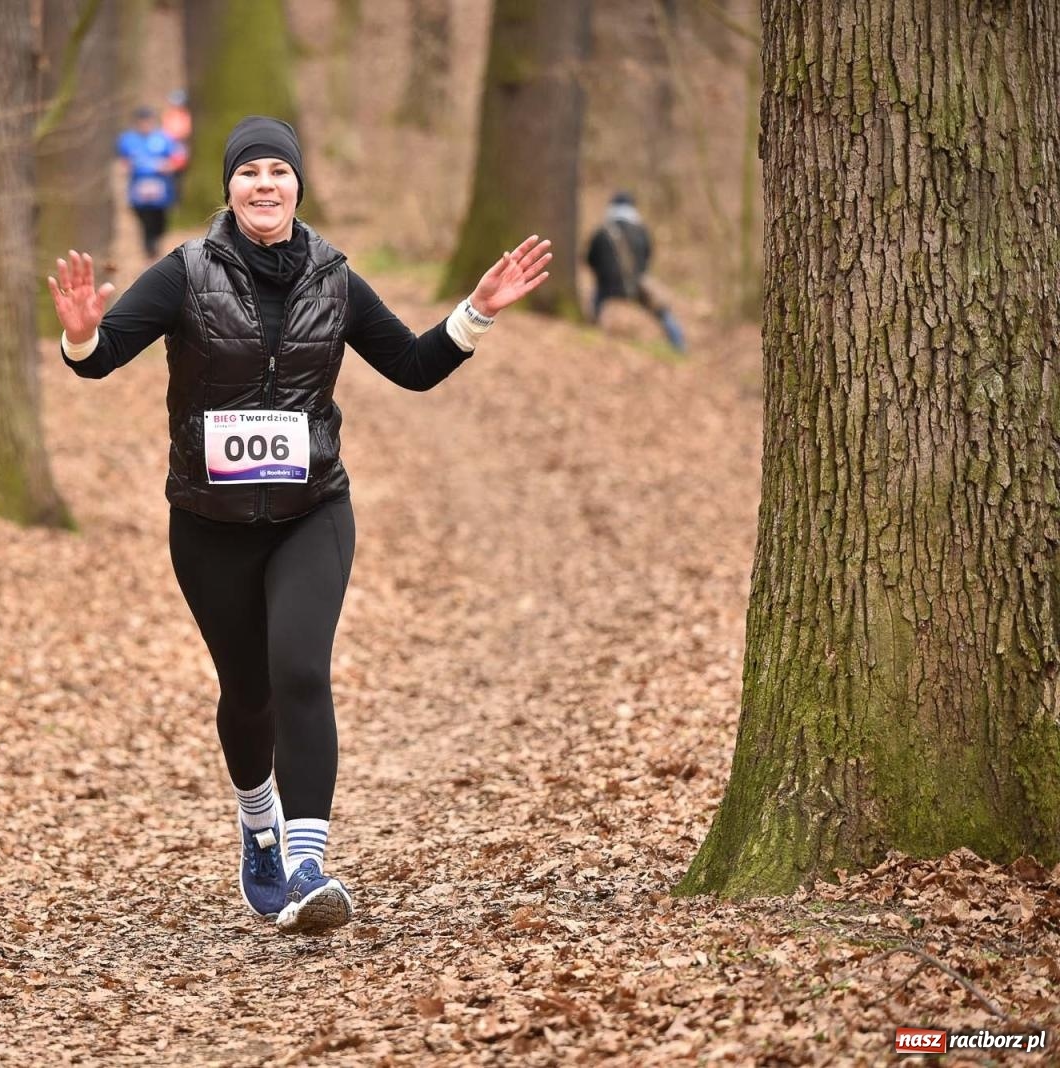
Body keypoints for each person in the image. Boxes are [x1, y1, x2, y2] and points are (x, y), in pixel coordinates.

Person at [48, 116, 551, 934]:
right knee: (247, 694)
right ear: (229, 189)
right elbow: (102, 358)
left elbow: (415, 367)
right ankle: (258, 828)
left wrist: (477, 312)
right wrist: (79, 335)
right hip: (209, 522)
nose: (264, 185)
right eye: (249, 173)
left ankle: (307, 865)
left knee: (300, 670)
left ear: (297, 187)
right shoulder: (183, 273)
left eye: (278, 171)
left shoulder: (335, 277)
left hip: (312, 509)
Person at [585, 192, 686, 352]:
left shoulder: (601, 232)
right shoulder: (641, 231)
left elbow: (590, 259)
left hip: (606, 287)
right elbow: (647, 257)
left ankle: (589, 337)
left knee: (593, 308)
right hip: (636, 285)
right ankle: (679, 345)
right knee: (663, 313)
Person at [115, 106, 183, 259]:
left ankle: (156, 241)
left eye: (148, 121)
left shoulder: (164, 138)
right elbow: (122, 161)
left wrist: (168, 166)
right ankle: (149, 248)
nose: (145, 124)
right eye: (142, 121)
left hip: (161, 190)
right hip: (139, 189)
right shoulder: (128, 140)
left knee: (160, 221)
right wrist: (127, 166)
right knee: (144, 220)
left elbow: (178, 158)